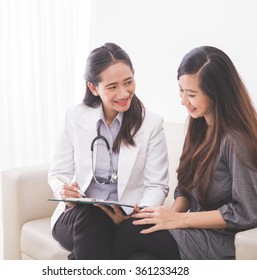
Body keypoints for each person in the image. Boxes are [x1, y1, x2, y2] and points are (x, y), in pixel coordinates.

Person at [112, 46, 257, 260]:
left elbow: (248, 212)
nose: (183, 100)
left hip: (233, 240)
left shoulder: (236, 141)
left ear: (216, 94)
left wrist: (178, 220)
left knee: (132, 232)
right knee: (140, 255)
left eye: (191, 94)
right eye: (181, 90)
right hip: (203, 231)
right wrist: (169, 215)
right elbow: (186, 189)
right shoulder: (199, 126)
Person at [48, 42, 169, 260]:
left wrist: (132, 216)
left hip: (125, 220)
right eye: (112, 87)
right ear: (94, 88)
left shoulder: (151, 124)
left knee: (101, 238)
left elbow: (157, 186)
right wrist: (65, 192)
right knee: (92, 219)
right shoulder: (75, 116)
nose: (124, 93)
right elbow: (58, 173)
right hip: (77, 217)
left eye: (128, 82)